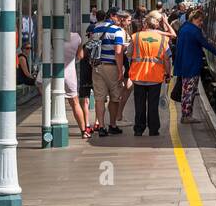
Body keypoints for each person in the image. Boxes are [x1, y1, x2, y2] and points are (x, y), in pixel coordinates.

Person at [173, 9, 216, 124]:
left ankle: (186, 114)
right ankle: (186, 116)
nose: (201, 23)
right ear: (194, 19)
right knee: (189, 91)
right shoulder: (195, 31)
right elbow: (206, 45)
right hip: (191, 64)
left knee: (186, 90)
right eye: (200, 20)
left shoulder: (184, 28)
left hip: (183, 63)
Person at [129, 13, 172, 136]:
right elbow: (167, 59)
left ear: (145, 24)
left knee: (139, 104)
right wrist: (168, 74)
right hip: (155, 77)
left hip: (138, 76)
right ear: (156, 26)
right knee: (153, 104)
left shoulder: (135, 37)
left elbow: (128, 53)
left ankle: (138, 129)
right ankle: (153, 129)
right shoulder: (163, 39)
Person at [90, 8, 129, 136]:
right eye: (119, 17)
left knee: (99, 98)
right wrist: (120, 71)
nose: (121, 19)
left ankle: (101, 126)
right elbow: (118, 53)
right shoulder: (117, 31)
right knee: (115, 96)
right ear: (112, 16)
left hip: (97, 66)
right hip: (112, 66)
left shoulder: (96, 28)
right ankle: (112, 124)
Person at [61, 28, 90, 138]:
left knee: (49, 101)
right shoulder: (76, 37)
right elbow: (80, 56)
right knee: (75, 102)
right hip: (69, 74)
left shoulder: (51, 37)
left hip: (52, 73)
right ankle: (83, 131)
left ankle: (49, 127)